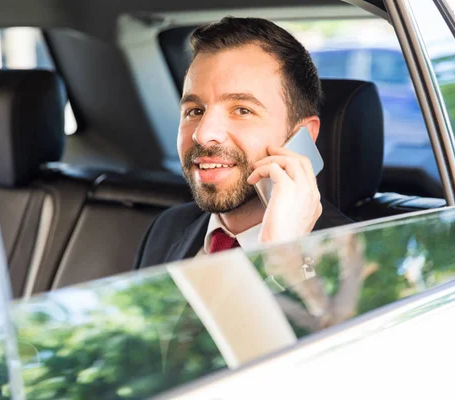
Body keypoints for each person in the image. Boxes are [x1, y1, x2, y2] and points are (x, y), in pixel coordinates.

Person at [133, 16, 351, 269]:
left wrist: (284, 255)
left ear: (302, 135)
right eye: (195, 111)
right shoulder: (166, 228)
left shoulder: (355, 256)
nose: (203, 135)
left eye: (242, 110)